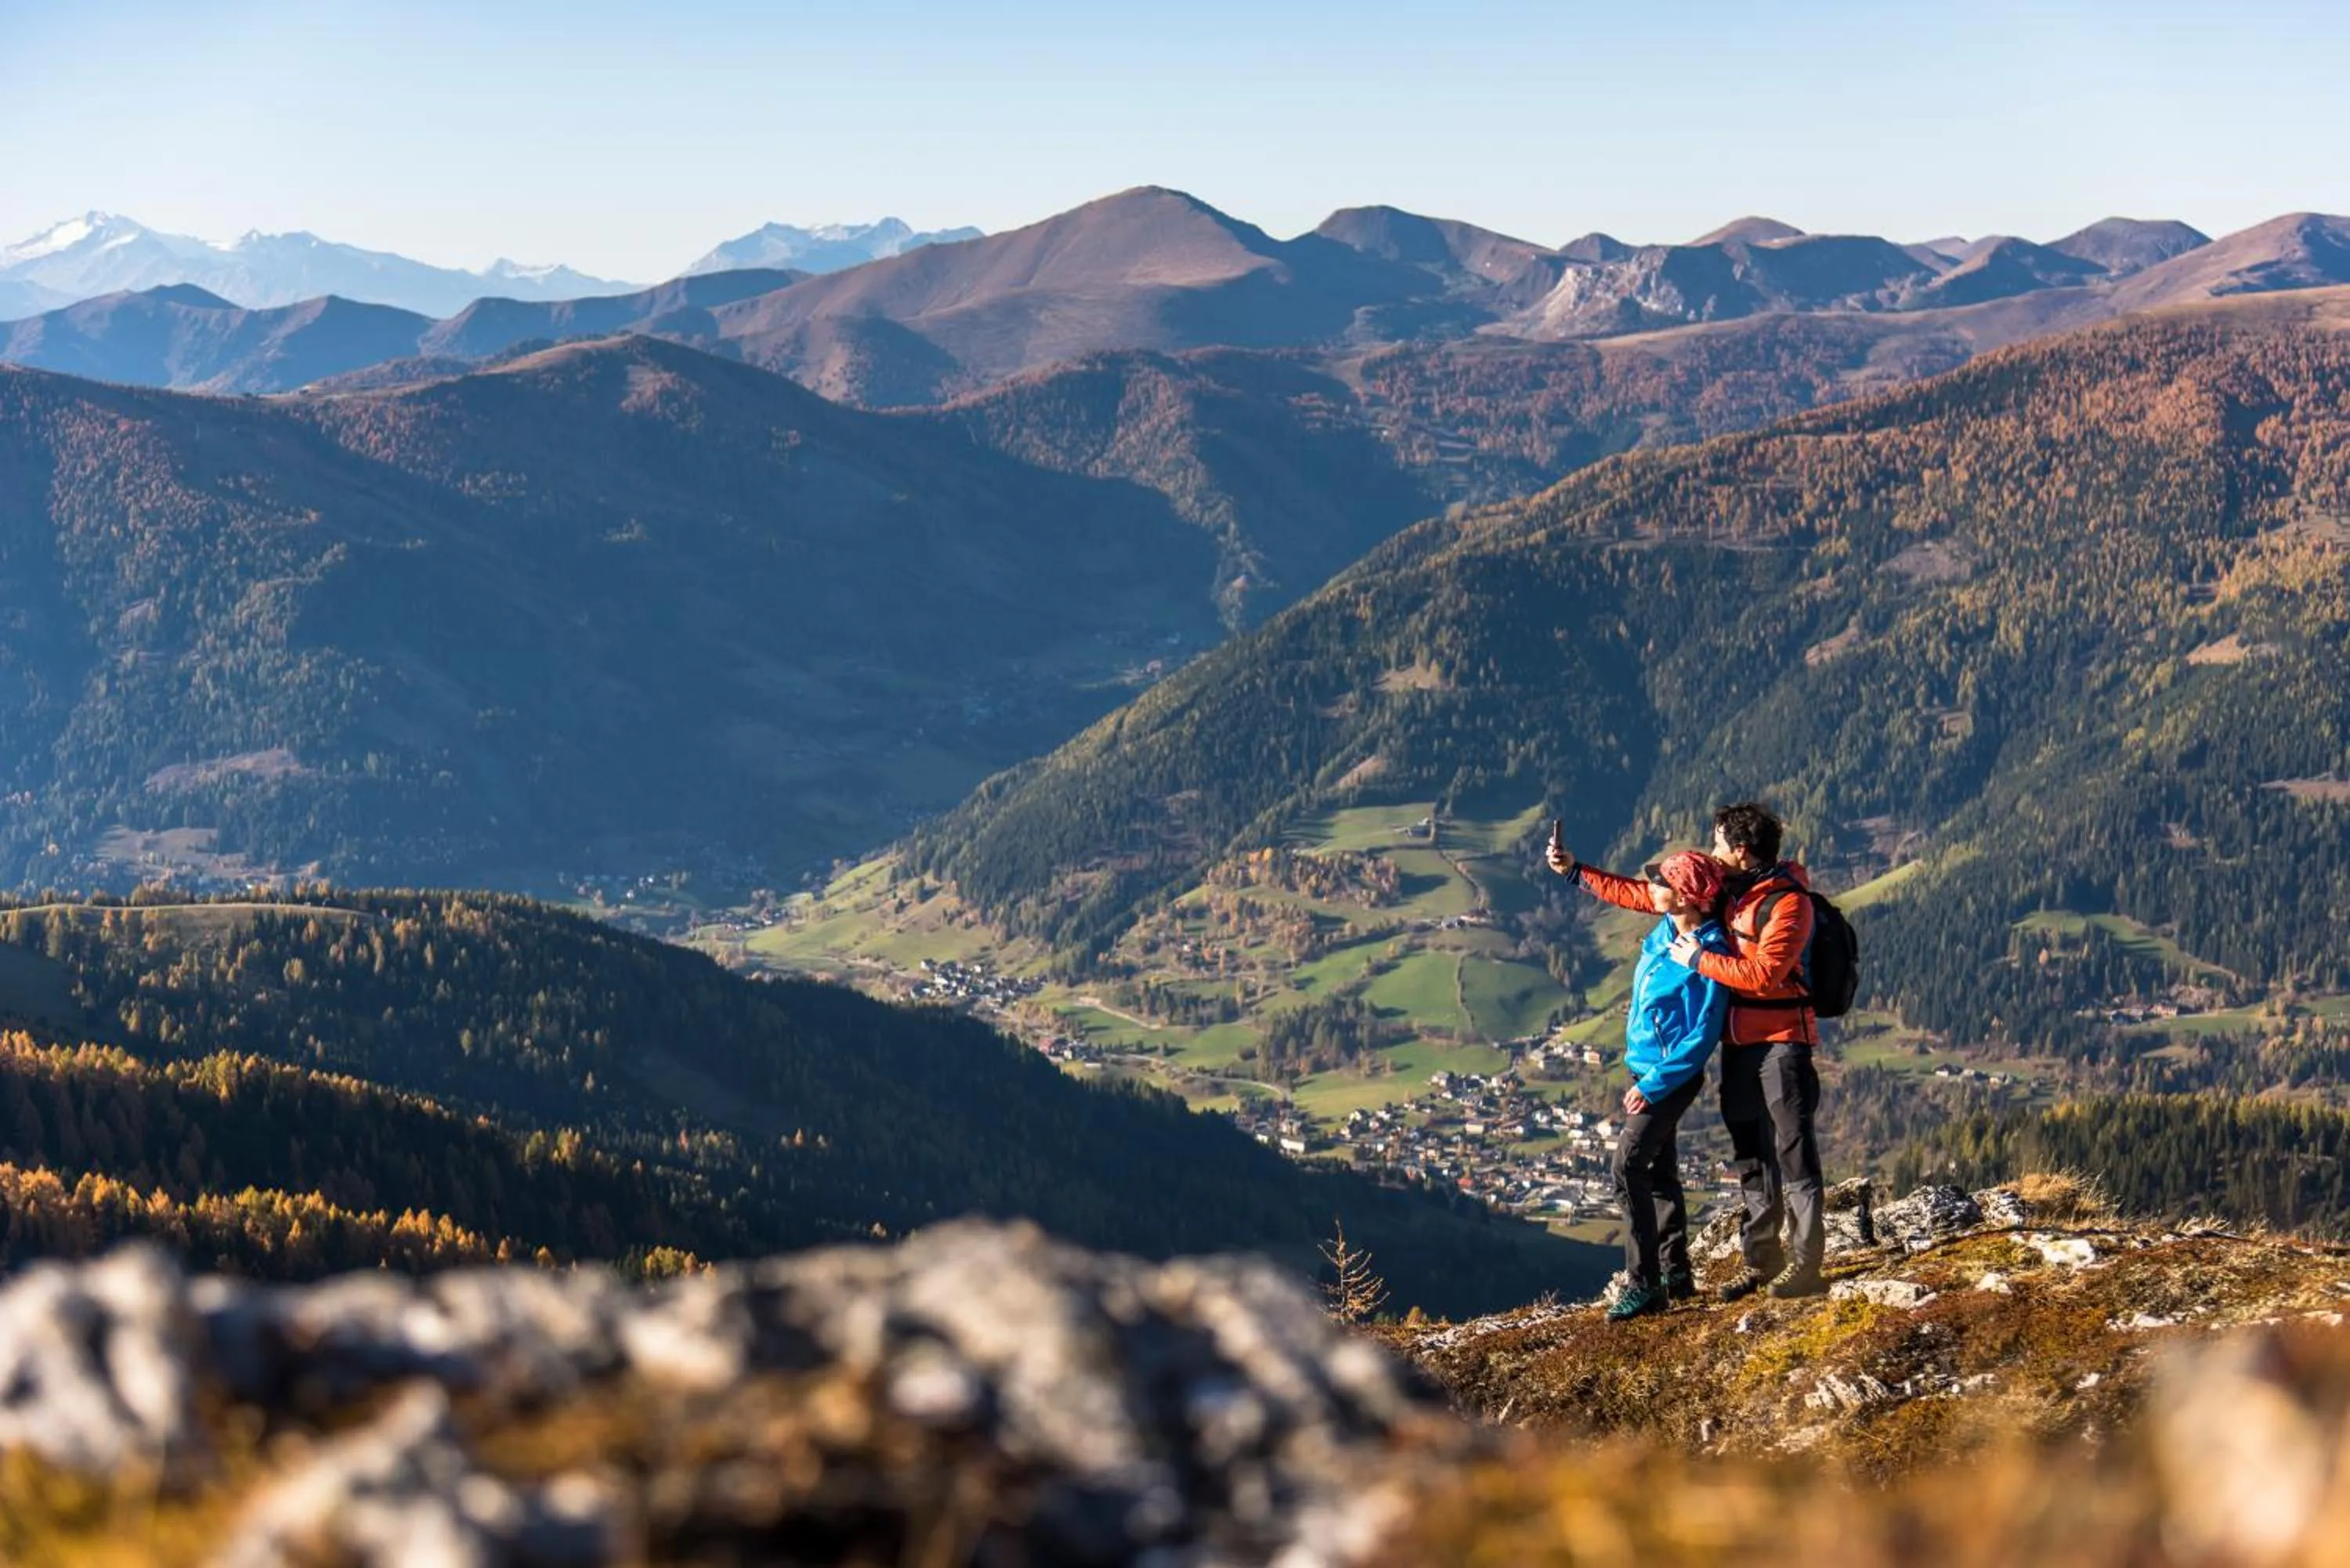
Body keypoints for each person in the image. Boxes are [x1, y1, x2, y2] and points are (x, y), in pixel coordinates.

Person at [1545, 839, 1733, 1319]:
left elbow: (1702, 1036)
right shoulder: (1666, 925)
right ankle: (1676, 1273)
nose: (1654, 886)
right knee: (1660, 1173)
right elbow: (1626, 892)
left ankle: (1644, 1283)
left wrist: (1652, 1086)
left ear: (1688, 897)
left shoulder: (1710, 954)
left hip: (1670, 1077)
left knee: (1626, 1168)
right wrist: (1574, 871)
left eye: (1665, 882)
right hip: (1645, 1066)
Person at [1663, 801, 1827, 1300]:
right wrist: (1576, 873)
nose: (1712, 852)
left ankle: (1807, 1268)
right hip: (1739, 1048)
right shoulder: (1731, 892)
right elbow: (1656, 894)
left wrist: (1700, 958)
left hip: (1782, 1045)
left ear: (1740, 850)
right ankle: (1762, 1263)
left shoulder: (1790, 904)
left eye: (1716, 843)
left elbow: (1763, 975)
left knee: (1794, 1153)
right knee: (1751, 1155)